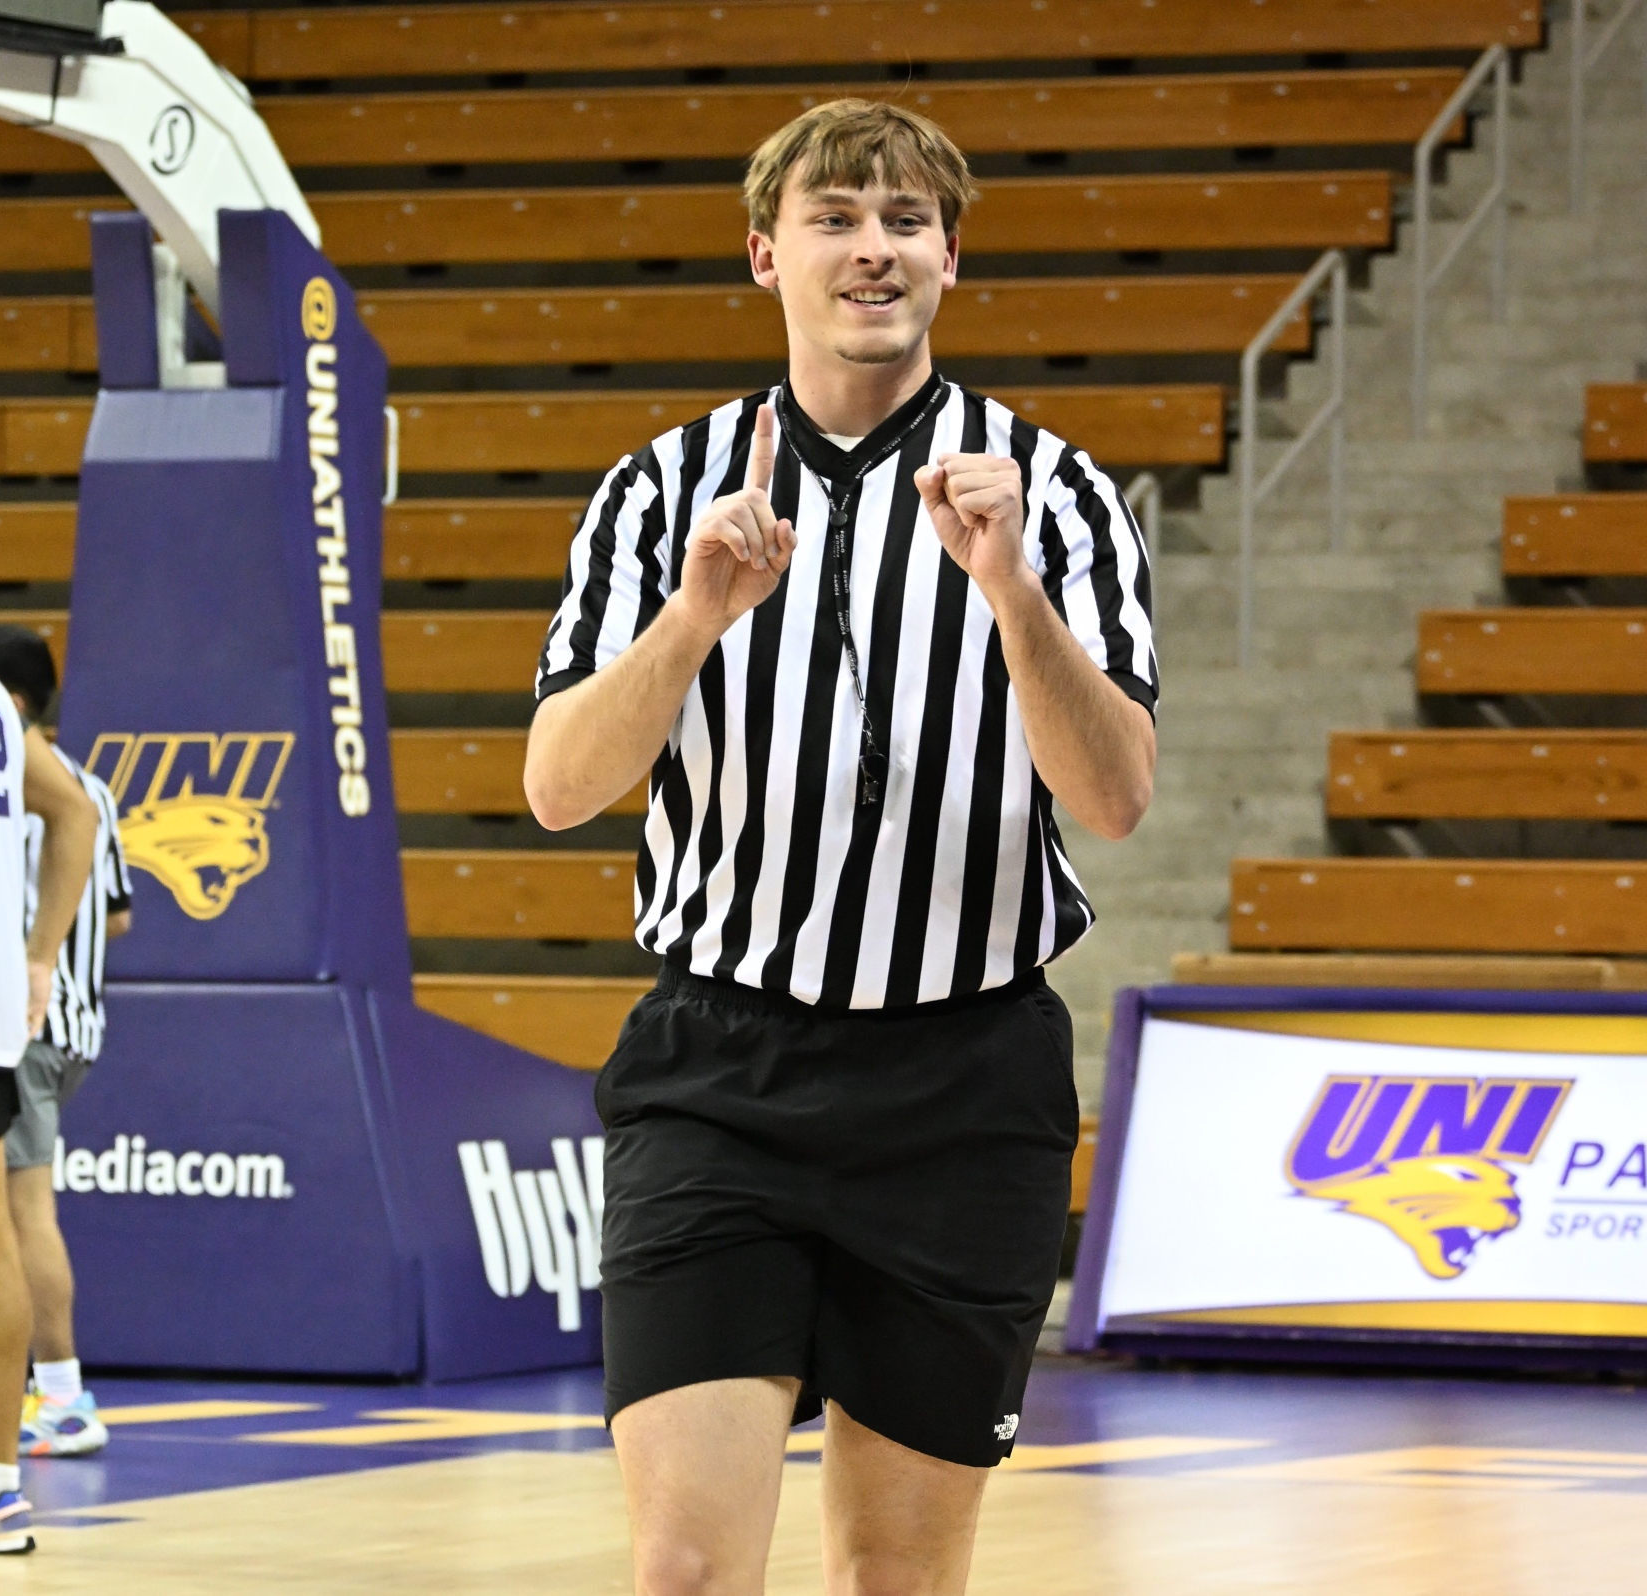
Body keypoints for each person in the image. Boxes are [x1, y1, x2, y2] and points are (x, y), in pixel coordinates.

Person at [524, 100, 1156, 1595]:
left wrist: (1011, 599)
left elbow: (1118, 799)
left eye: (904, 222)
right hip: (718, 1078)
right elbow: (559, 787)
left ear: (950, 257)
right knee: (684, 1569)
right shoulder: (657, 494)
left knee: (896, 1578)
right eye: (834, 217)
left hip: (964, 1080)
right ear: (766, 253)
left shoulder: (1054, 494)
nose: (872, 248)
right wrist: (692, 620)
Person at [0, 625, 132, 1459]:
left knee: (14, 1215)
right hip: (63, 1019)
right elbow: (121, 910)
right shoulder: (87, 787)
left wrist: (32, 961)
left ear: (11, 701)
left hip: (14, 1019)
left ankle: (61, 1396)